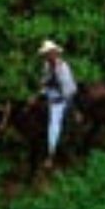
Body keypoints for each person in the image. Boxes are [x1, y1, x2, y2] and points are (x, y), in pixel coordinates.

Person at [38, 40, 78, 169]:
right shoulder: (46, 65)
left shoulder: (63, 67)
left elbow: (68, 88)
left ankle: (51, 155)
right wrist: (42, 91)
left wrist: (59, 96)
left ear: (55, 53)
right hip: (49, 95)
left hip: (61, 98)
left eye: (49, 53)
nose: (48, 56)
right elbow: (44, 81)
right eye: (46, 54)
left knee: (53, 126)